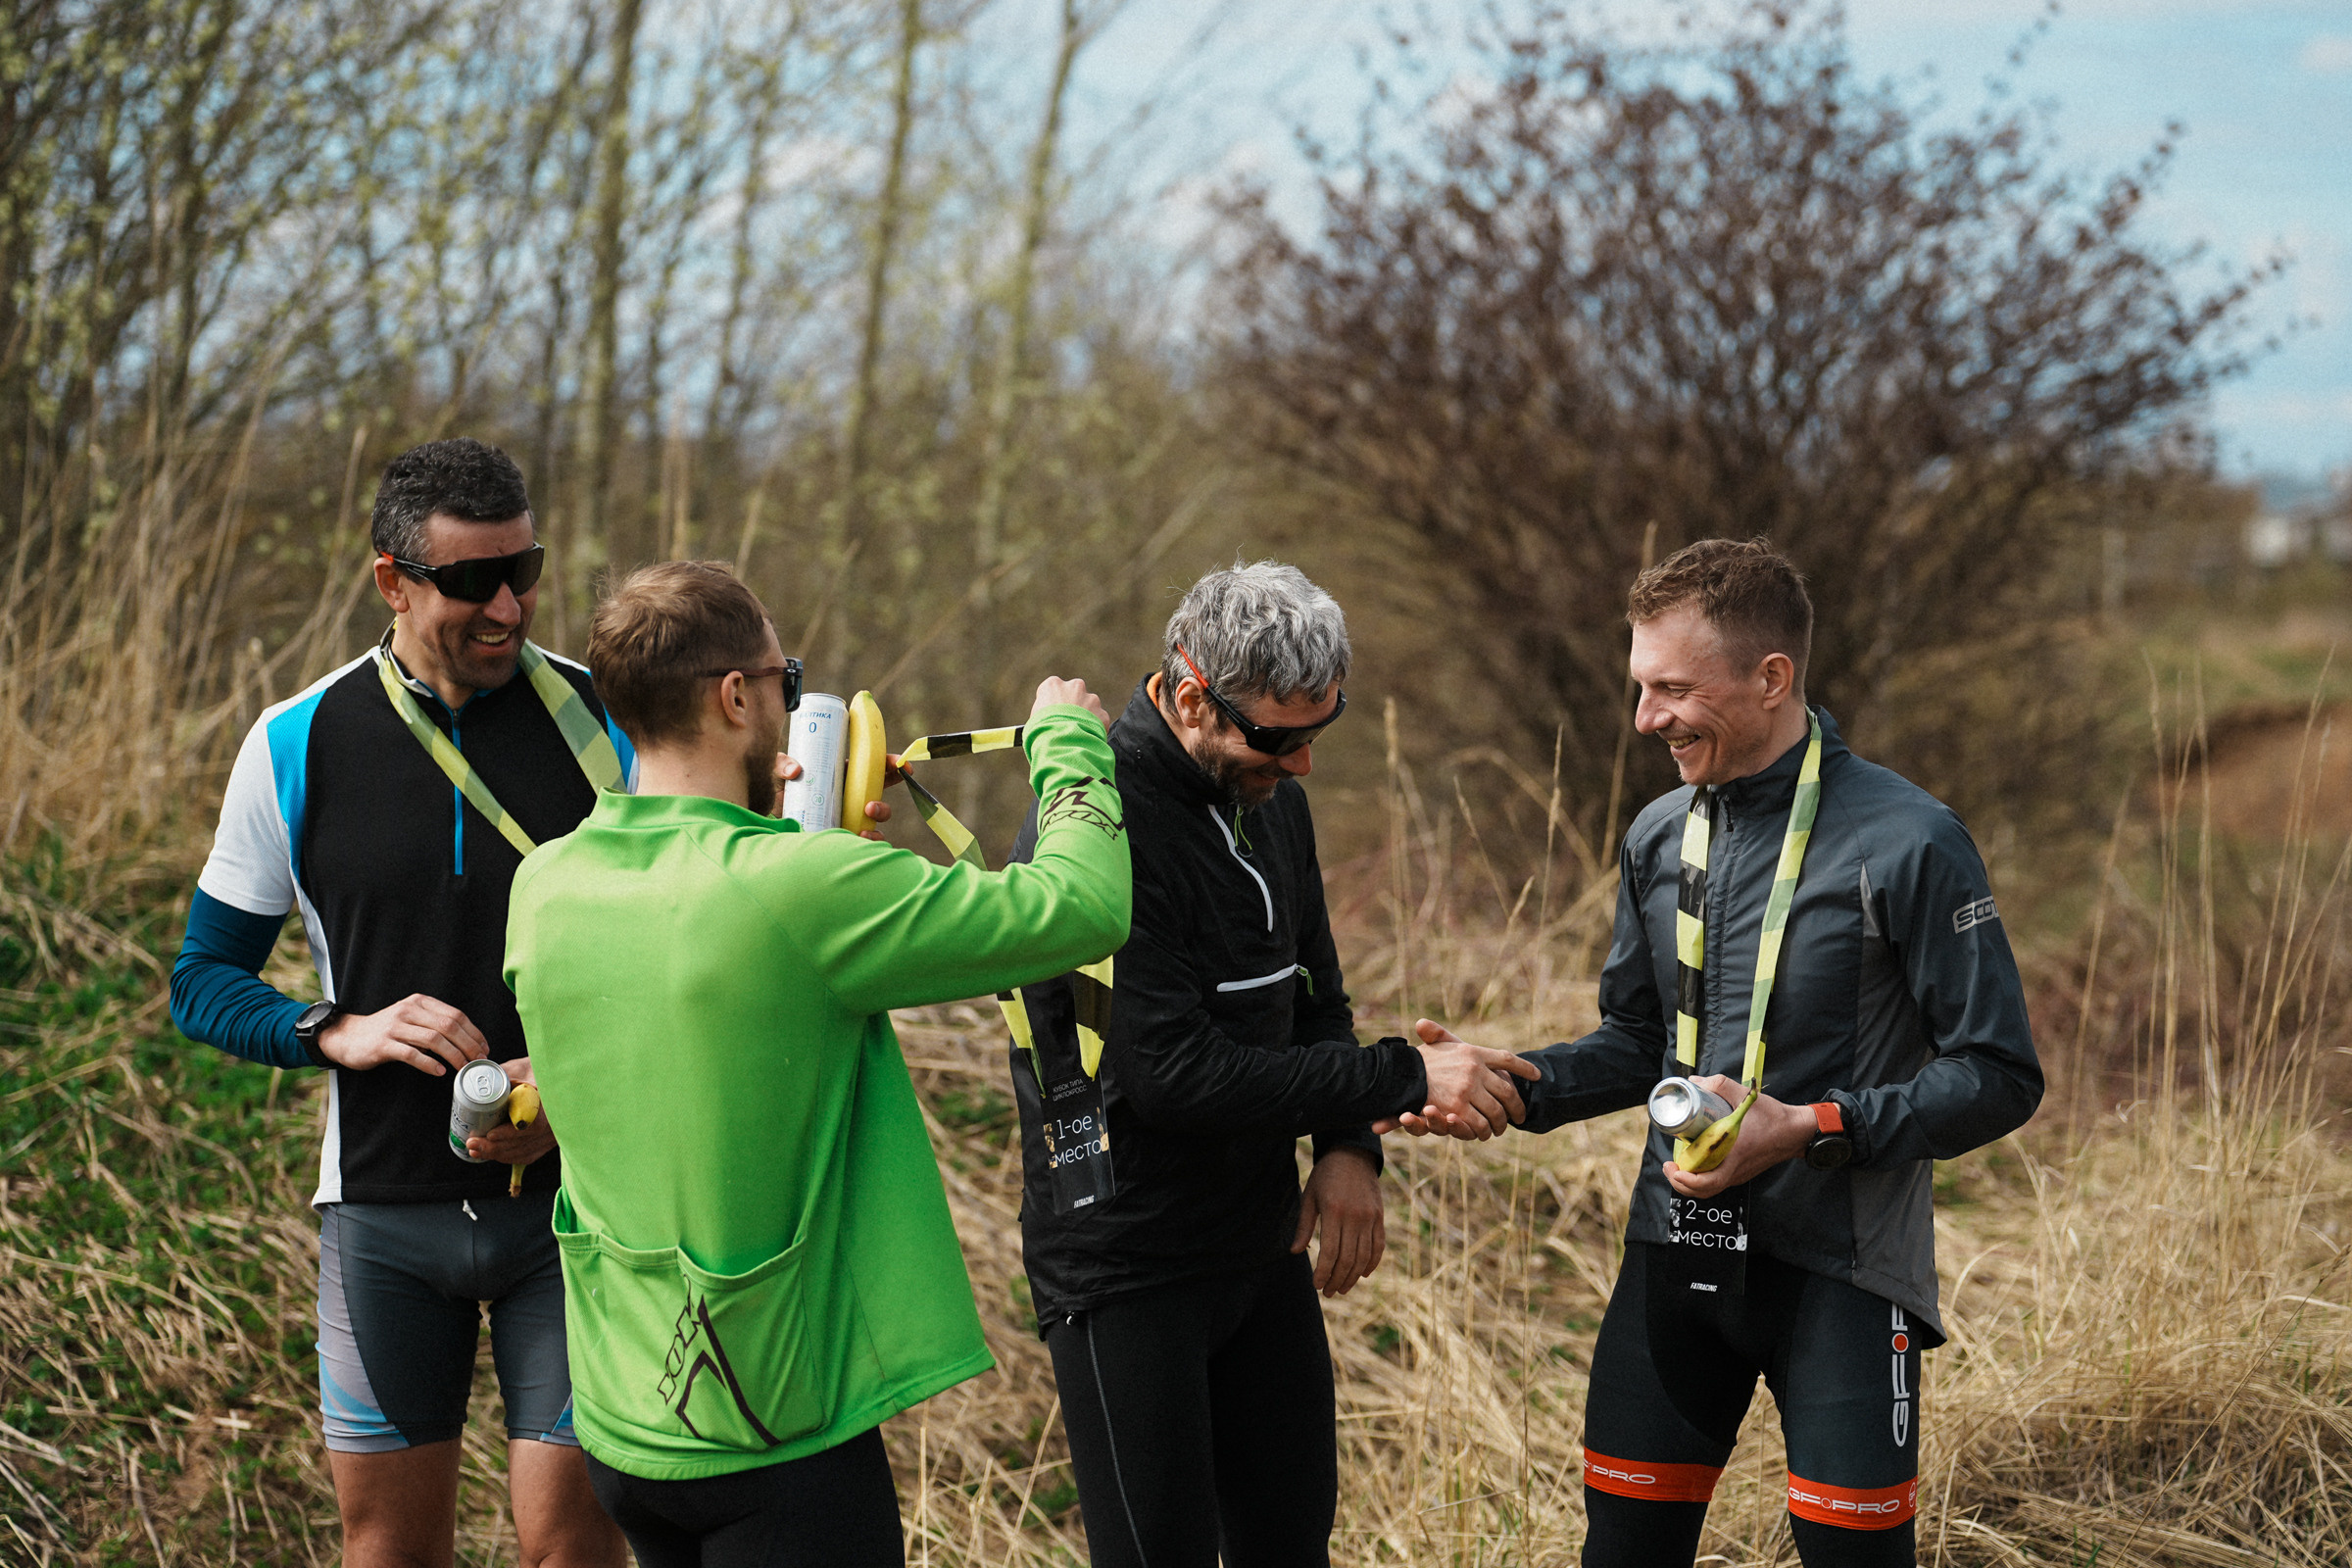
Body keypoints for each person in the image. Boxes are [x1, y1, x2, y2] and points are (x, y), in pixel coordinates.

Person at [1405, 538, 2042, 1567]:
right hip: (1675, 1251)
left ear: (1772, 678)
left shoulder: (1912, 839)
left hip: (1842, 1271)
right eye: (1640, 686)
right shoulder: (1659, 834)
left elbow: (1999, 1074)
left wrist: (1811, 1127)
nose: (1645, 718)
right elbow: (1637, 1046)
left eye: (1672, 689)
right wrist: (1513, 1084)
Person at [502, 560, 1131, 1567]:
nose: (791, 706)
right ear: (735, 697)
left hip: (624, 1423)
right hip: (776, 1430)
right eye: (784, 681)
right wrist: (1071, 747)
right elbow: (1079, 909)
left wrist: (803, 843)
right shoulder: (805, 888)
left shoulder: (546, 881)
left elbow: (707, 967)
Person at [1003, 560, 1542, 1568]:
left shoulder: (1270, 795)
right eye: (1279, 739)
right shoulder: (1096, 820)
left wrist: (1348, 1149)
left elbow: (1316, 997)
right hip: (1126, 1262)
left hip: (1259, 1242)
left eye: (1320, 731)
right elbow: (1173, 1074)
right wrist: (1404, 1078)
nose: (1303, 765)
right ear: (1192, 697)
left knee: (1291, 1543)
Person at [168, 439, 629, 1566]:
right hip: (382, 1214)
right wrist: (335, 1027)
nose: (508, 607)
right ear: (393, 580)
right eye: (473, 581)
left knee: (571, 1547)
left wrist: (580, 1076)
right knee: (388, 1550)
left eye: (525, 570)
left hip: (581, 1211)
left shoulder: (610, 720)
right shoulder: (297, 739)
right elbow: (202, 980)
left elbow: (706, 933)